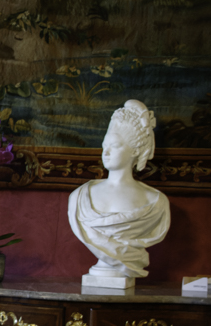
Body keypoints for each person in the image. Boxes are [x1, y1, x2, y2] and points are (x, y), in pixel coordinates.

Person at [66, 100, 169, 286]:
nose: (106, 151)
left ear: (135, 151)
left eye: (115, 145)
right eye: (104, 145)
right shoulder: (80, 197)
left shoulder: (155, 202)